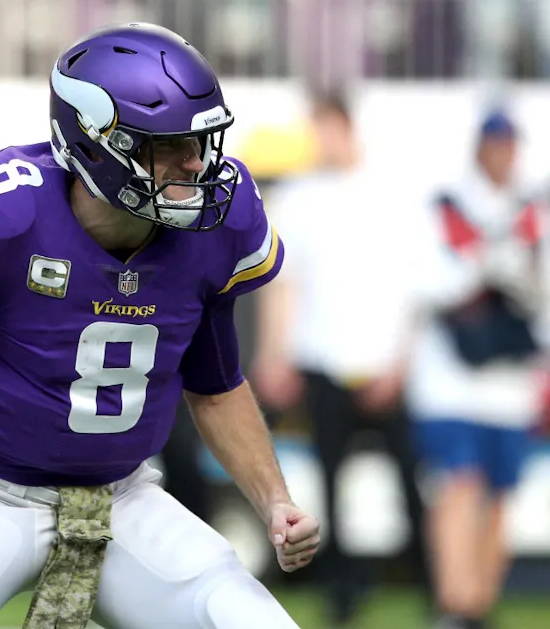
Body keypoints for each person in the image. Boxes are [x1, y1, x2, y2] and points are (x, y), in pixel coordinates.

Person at [0, 23, 321, 629]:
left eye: (200, 142)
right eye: (168, 144)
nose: (195, 164)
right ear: (97, 144)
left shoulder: (216, 226)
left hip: (125, 495)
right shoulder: (7, 210)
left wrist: (275, 500)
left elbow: (216, 385)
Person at [251, 91, 430, 626]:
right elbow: (283, 284)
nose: (320, 142)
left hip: (381, 363)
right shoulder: (301, 198)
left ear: (347, 128)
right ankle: (342, 589)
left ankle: (435, 583)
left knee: (409, 482)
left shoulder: (391, 194)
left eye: (326, 129)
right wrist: (273, 355)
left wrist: (401, 363)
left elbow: (412, 288)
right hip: (323, 360)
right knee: (330, 484)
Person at [407, 109, 548, 629]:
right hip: (452, 381)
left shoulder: (532, 213)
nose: (503, 154)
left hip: (510, 382)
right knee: (459, 487)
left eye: (510, 145)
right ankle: (454, 603)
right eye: (496, 144)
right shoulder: (446, 208)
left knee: (500, 496)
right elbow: (427, 286)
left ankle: (479, 604)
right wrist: (486, 266)